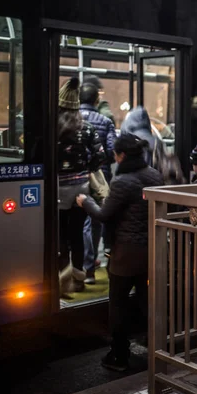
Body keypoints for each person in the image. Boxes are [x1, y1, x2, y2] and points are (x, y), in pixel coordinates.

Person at [76, 133, 164, 372]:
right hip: (151, 251)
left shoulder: (123, 181)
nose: (113, 158)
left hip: (126, 255)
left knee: (118, 304)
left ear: (122, 155)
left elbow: (105, 215)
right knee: (148, 302)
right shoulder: (154, 175)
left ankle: (119, 355)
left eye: (115, 154)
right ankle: (160, 351)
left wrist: (86, 202)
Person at [57, 77, 105, 295]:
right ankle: (78, 279)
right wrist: (85, 168)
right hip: (80, 190)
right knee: (77, 235)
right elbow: (99, 158)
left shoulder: (51, 127)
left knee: (59, 237)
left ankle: (60, 280)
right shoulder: (86, 128)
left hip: (55, 190)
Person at [80, 82, 117, 284]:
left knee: (75, 223)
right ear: (96, 100)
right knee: (93, 222)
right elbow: (111, 151)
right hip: (98, 177)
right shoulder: (105, 121)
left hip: (72, 178)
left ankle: (74, 267)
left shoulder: (68, 119)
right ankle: (90, 267)